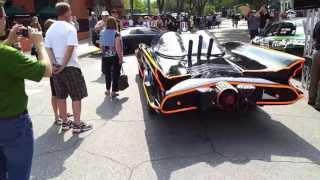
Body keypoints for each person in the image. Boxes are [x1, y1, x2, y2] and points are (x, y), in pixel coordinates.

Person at [0, 3, 52, 180]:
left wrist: (8, 40)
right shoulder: (6, 54)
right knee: (18, 175)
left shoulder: (4, 52)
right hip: (12, 125)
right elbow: (46, 70)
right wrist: (40, 44)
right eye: (3, 16)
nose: (5, 19)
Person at [45, 2, 92, 133]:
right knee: (76, 96)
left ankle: (65, 123)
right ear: (66, 12)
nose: (71, 14)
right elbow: (70, 48)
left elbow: (48, 48)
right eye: (70, 11)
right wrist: (63, 65)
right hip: (70, 67)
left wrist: (55, 63)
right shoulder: (70, 27)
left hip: (56, 69)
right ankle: (77, 125)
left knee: (61, 96)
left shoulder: (50, 29)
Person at [99, 17, 124, 97]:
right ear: (114, 24)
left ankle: (107, 90)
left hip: (105, 56)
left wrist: (104, 53)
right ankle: (113, 91)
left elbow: (101, 46)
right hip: (114, 56)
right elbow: (118, 48)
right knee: (116, 74)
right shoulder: (116, 33)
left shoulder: (102, 33)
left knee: (107, 74)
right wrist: (121, 58)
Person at [308, 20, 320, 110]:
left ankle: (311, 99)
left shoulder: (318, 23)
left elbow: (314, 37)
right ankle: (318, 103)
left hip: (317, 51)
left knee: (314, 77)